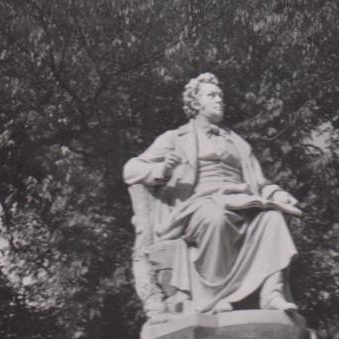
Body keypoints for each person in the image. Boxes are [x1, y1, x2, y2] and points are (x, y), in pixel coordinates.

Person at [123, 73, 301, 314]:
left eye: (220, 96)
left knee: (272, 219)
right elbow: (130, 170)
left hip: (242, 201)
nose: (220, 100)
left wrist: (278, 195)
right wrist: (162, 169)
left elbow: (261, 182)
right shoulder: (175, 138)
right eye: (212, 95)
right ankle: (213, 298)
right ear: (196, 103)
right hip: (199, 204)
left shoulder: (238, 143)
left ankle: (272, 293)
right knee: (215, 218)